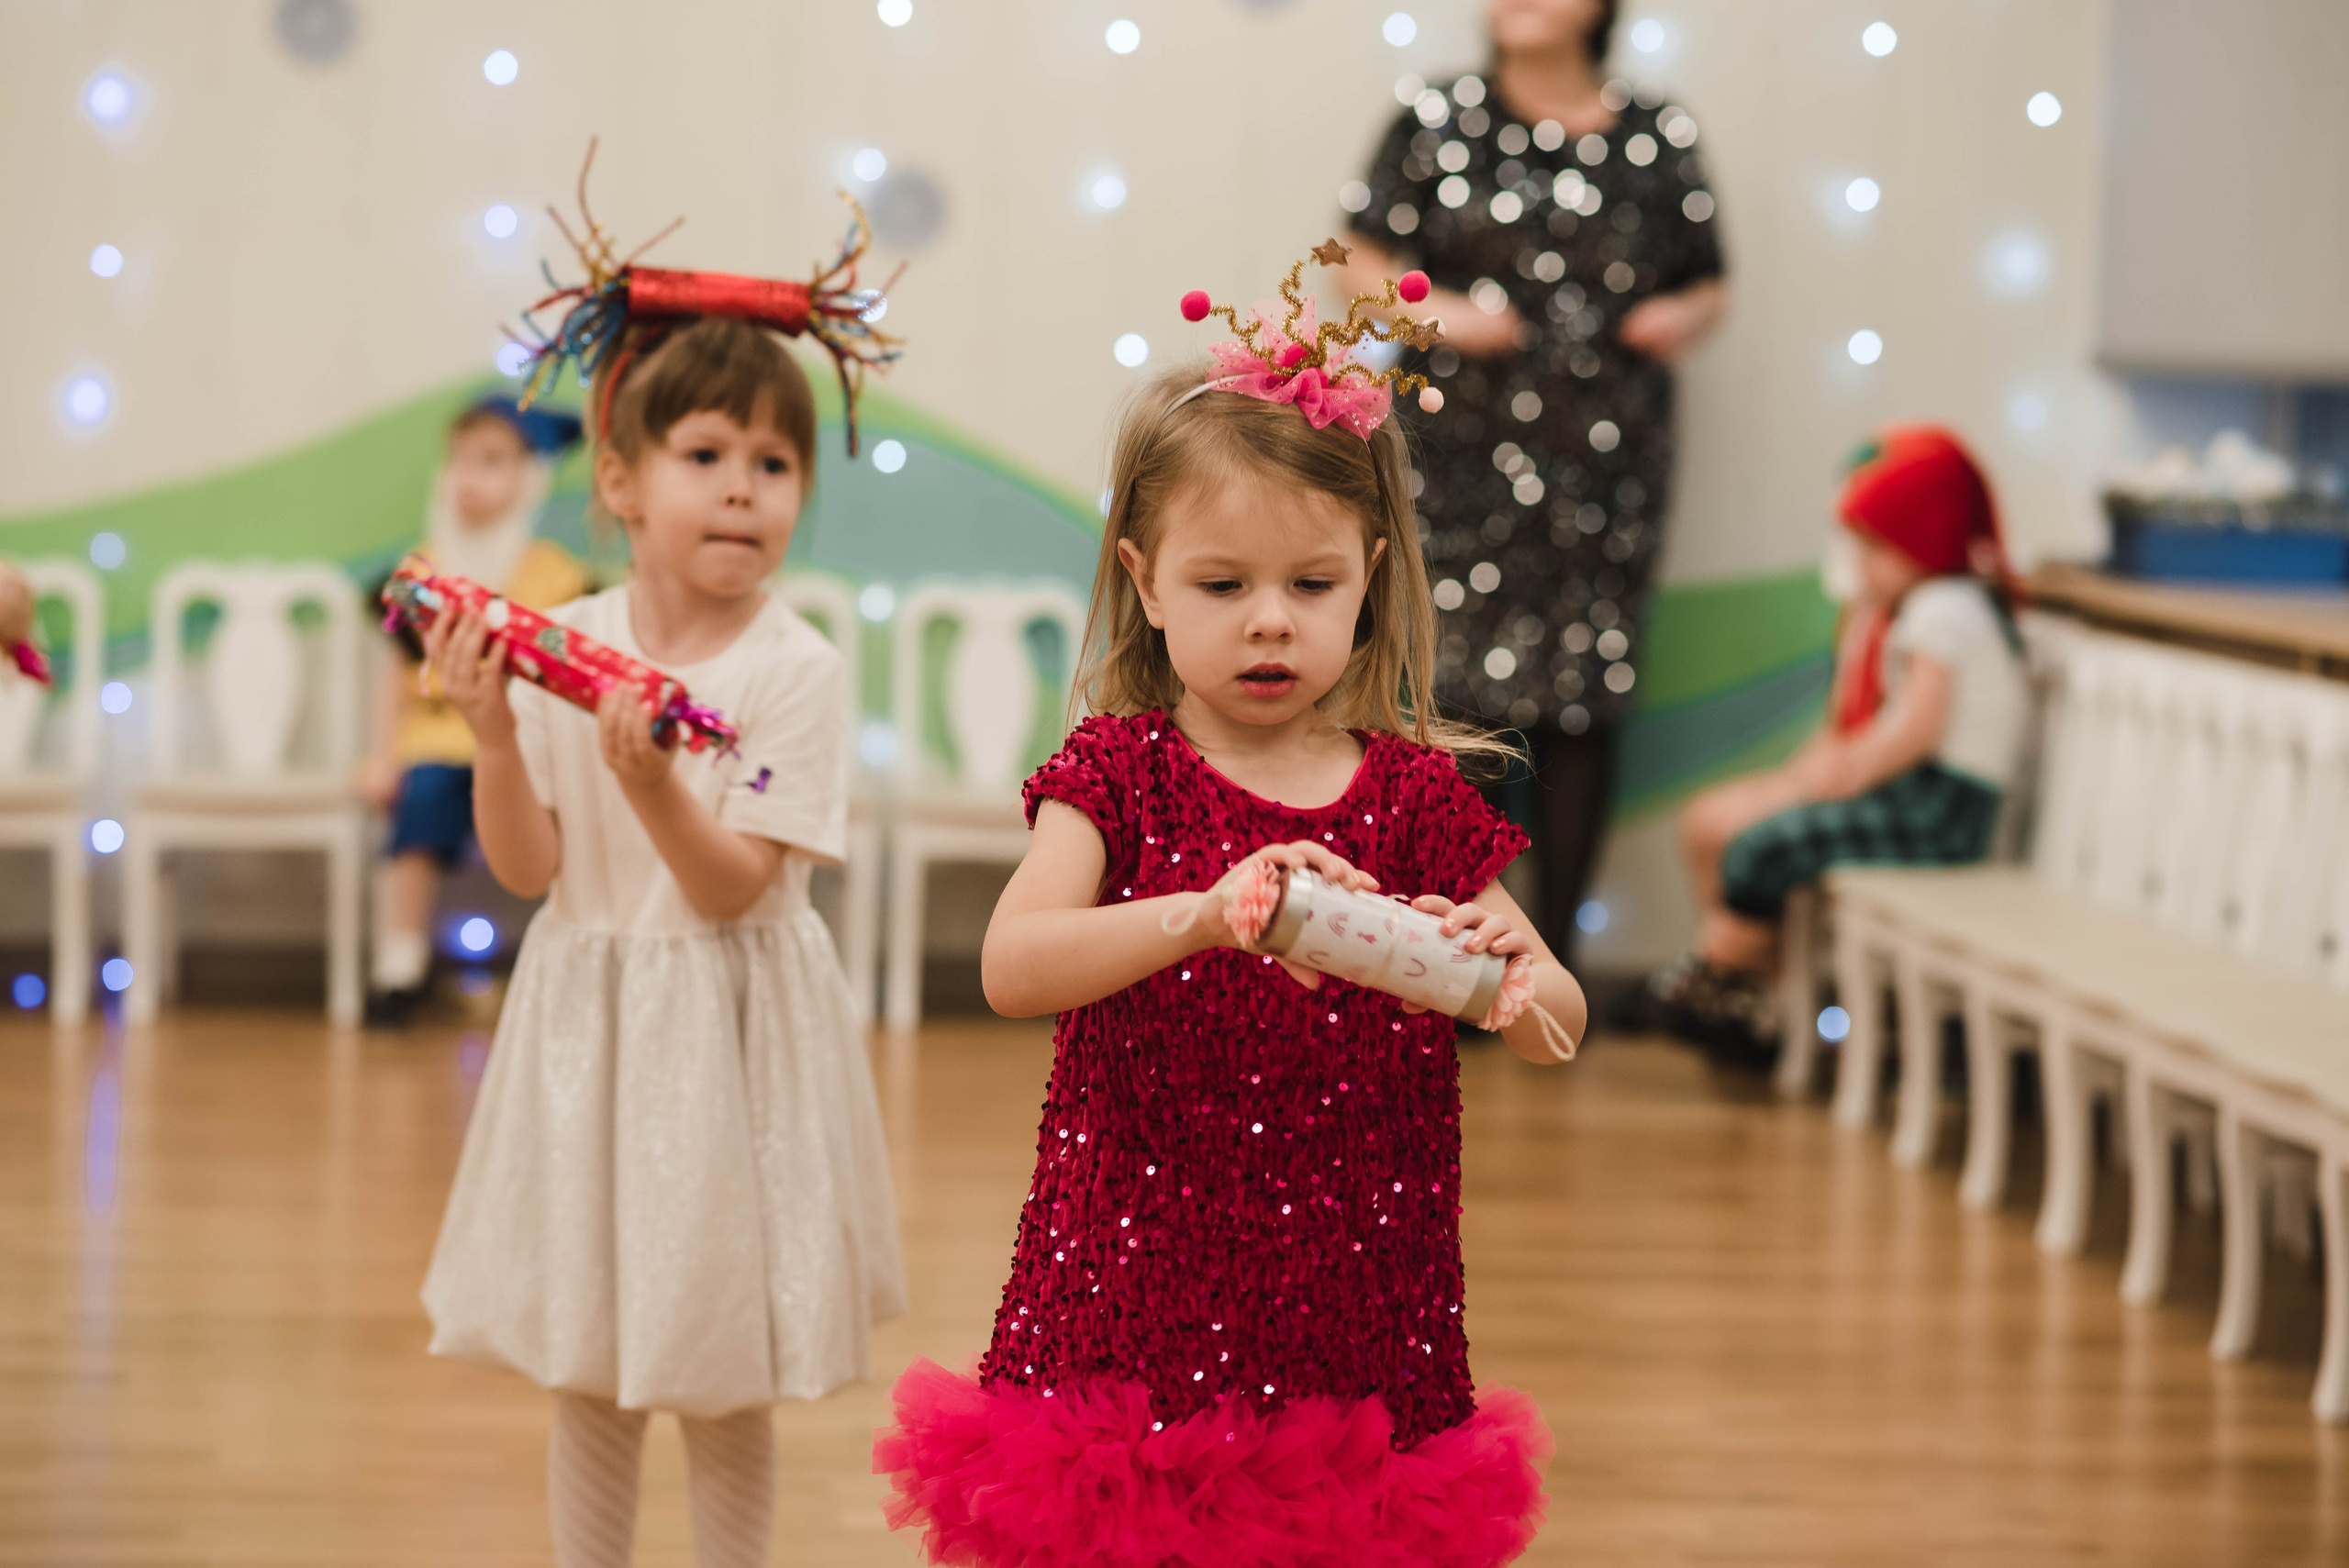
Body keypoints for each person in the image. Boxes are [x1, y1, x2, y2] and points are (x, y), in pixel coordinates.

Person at [874, 253, 1584, 1568]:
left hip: (1358, 1304)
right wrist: (1205, 913)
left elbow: (1557, 1022)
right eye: (1222, 587)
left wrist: (1512, 973)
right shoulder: (1116, 772)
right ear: (1145, 582)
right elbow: (1014, 965)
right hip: (1129, 1299)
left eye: (1311, 587)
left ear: (1369, 575)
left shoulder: (1421, 796)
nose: (1271, 625)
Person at [416, 263, 907, 1561]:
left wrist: (651, 787)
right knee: (593, 1348)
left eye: (775, 461)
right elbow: (526, 871)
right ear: (621, 484)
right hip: (592, 1022)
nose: (745, 484)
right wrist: (491, 735)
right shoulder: (558, 638)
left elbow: (733, 883)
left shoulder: (793, 669)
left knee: (717, 1354)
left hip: (731, 1024)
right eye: (705, 453)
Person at [1341, 0, 1727, 962]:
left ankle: (1554, 962)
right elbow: (1358, 262)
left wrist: (1680, 318)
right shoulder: (1433, 117)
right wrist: (1441, 314)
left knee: (1584, 693)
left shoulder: (1656, 134)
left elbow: (1707, 278)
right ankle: (1453, 959)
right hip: (1453, 451)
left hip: (1608, 462)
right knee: (1456, 691)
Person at [1657, 427, 2027, 1044]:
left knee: (1764, 846)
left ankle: (1724, 979)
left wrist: (1851, 772)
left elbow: (1916, 726)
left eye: (1876, 549)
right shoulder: (1940, 605)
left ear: (1922, 540)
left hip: (1943, 805)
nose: (1862, 566)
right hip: (1928, 795)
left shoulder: (1942, 610)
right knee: (1760, 840)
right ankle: (1732, 985)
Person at [358, 395, 589, 1024]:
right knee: (422, 801)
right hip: (435, 745)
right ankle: (400, 963)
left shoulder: (555, 576)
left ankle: (574, 962)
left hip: (529, 748)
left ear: (529, 478)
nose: (469, 477)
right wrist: (381, 757)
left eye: (491, 462)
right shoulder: (416, 574)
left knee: (570, 816)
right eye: (460, 460)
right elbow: (394, 678)